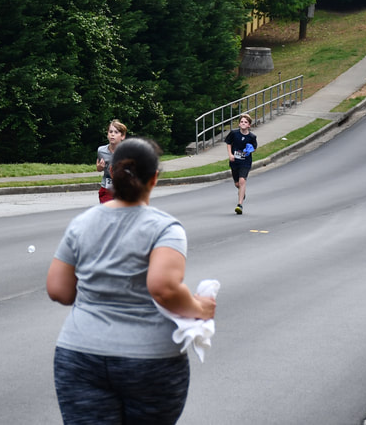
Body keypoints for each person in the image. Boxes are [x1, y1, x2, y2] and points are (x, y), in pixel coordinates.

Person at [47, 137, 216, 425]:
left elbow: (59, 290)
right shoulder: (164, 228)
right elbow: (163, 288)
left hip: (80, 355)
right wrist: (199, 308)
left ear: (111, 173)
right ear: (155, 178)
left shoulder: (82, 223)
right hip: (149, 360)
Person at [225, 113, 257, 214]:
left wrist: (250, 150)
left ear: (249, 125)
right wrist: (230, 155)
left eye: (245, 122)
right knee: (237, 183)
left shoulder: (252, 137)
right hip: (235, 161)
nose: (243, 123)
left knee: (242, 180)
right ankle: (242, 192)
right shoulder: (234, 133)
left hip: (245, 162)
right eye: (242, 122)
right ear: (239, 124)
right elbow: (228, 143)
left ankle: (240, 205)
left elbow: (254, 148)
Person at [95, 119, 127, 203]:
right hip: (107, 188)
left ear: (122, 136)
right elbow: (99, 168)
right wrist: (100, 167)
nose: (112, 134)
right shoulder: (101, 150)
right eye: (110, 132)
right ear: (107, 134)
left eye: (116, 132)